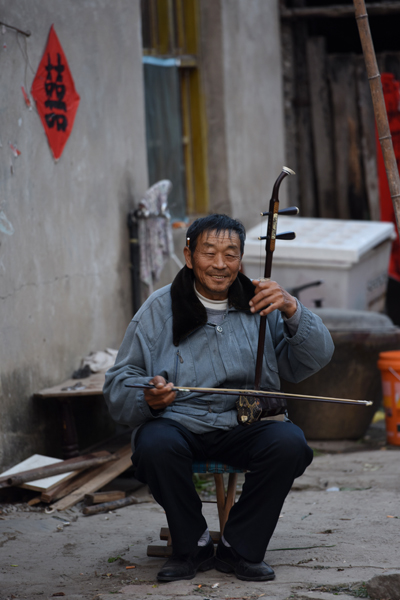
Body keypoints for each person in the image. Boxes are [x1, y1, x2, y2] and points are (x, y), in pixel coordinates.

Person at [103, 214, 334, 583]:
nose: (220, 264)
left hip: (246, 423)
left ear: (241, 259)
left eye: (230, 254)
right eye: (209, 253)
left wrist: (292, 309)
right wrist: (151, 395)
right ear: (189, 255)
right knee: (154, 445)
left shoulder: (260, 302)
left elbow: (311, 359)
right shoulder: (158, 308)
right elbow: (119, 383)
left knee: (289, 443)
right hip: (180, 423)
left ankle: (239, 546)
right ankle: (190, 545)